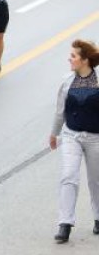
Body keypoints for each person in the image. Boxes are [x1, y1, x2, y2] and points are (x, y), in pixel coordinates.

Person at [49, 39, 99, 244]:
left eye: (73, 56)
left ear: (85, 60)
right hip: (72, 135)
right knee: (68, 175)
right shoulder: (67, 81)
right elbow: (60, 110)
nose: (69, 59)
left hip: (96, 137)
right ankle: (65, 223)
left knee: (96, 180)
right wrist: (54, 133)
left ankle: (98, 217)